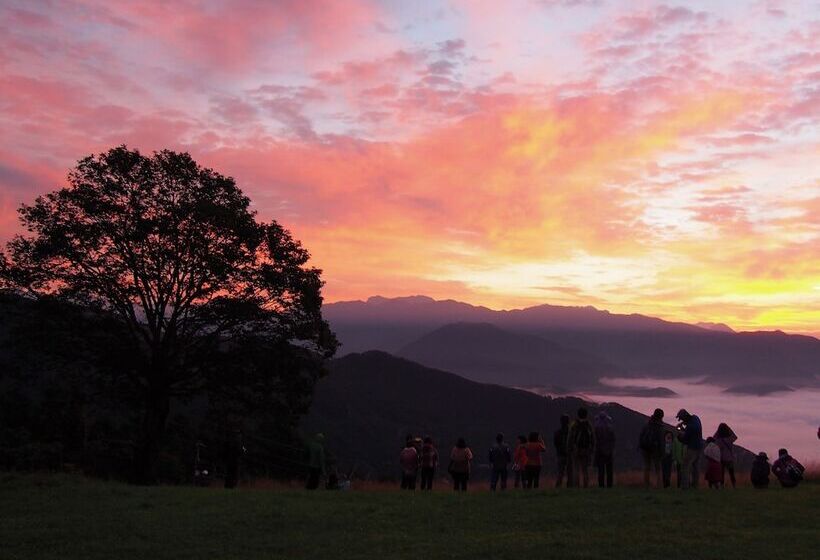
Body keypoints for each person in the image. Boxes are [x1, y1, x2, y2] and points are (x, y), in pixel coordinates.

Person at [676, 409, 703, 490]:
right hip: (699, 446)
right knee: (696, 467)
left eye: (681, 418)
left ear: (685, 416)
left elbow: (685, 440)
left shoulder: (690, 427)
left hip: (692, 448)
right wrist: (684, 426)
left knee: (685, 466)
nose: (681, 420)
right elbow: (690, 430)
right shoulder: (696, 418)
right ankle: (695, 485)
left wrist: (679, 434)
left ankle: (685, 486)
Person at [568, 407, 595, 488]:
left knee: (576, 468)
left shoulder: (574, 424)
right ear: (586, 415)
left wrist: (569, 448)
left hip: (576, 449)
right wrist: (592, 449)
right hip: (586, 450)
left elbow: (570, 437)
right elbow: (593, 438)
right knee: (585, 469)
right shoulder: (589, 425)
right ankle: (586, 485)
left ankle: (577, 486)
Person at [639, 408, 665, 489]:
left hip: (645, 448)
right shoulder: (659, 426)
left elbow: (641, 435)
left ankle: (646, 484)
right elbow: (661, 440)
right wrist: (662, 452)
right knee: (657, 467)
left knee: (647, 466)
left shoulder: (647, 423)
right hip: (655, 449)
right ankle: (658, 485)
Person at [593, 410, 616, 488]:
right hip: (609, 450)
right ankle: (609, 485)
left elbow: (594, 439)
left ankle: (601, 485)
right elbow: (613, 439)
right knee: (609, 469)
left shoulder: (596, 427)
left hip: (599, 450)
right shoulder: (610, 427)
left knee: (601, 469)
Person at [714, 423, 738, 488]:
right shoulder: (729, 439)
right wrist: (729, 429)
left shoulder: (719, 440)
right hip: (729, 458)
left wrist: (717, 431)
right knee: (731, 473)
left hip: (721, 458)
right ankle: (734, 485)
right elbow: (735, 437)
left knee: (722, 473)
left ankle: (722, 485)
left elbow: (714, 438)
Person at [553, 415, 570, 487]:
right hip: (569, 454)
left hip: (560, 454)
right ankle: (570, 486)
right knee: (570, 472)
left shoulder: (557, 432)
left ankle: (558, 486)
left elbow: (556, 444)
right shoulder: (571, 431)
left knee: (560, 472)